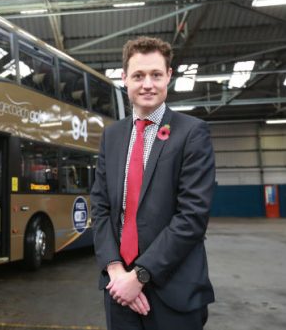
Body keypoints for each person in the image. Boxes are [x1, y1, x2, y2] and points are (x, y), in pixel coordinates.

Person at [91, 36, 215, 330]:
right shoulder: (112, 136)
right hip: (119, 291)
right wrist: (116, 271)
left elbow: (192, 217)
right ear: (124, 79)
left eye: (156, 75)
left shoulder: (193, 133)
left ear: (169, 76)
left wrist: (140, 276)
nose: (147, 84)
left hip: (174, 293)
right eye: (138, 76)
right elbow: (100, 208)